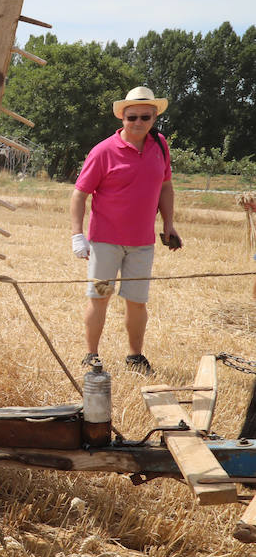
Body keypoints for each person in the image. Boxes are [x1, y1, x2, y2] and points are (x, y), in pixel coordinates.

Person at [71, 86, 179, 377]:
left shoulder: (160, 146)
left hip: (142, 245)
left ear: (154, 117)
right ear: (122, 117)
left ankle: (135, 356)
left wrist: (168, 225)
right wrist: (77, 235)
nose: (139, 122)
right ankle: (91, 355)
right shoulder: (103, 151)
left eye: (145, 116)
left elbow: (166, 187)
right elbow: (80, 193)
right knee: (100, 296)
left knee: (137, 301)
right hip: (106, 244)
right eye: (132, 117)